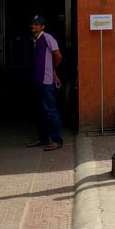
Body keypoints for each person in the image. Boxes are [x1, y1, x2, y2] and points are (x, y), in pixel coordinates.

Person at [27, 15, 64, 151]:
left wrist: (52, 70)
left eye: (37, 24)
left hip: (46, 81)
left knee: (50, 110)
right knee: (40, 110)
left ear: (42, 27)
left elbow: (58, 55)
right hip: (37, 80)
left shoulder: (47, 37)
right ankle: (43, 137)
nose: (33, 26)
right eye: (32, 23)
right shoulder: (34, 40)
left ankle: (57, 140)